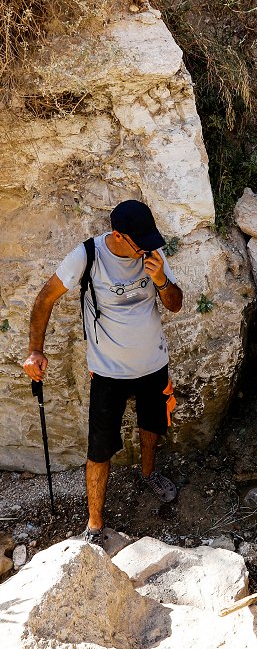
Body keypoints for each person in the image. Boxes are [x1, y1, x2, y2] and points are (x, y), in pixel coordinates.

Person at [23, 200, 183, 549]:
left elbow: (174, 303)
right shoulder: (87, 256)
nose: (145, 248)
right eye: (138, 242)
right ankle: (94, 524)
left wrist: (159, 279)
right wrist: (36, 350)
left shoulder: (151, 256)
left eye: (148, 240)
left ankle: (148, 473)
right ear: (117, 235)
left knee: (151, 426)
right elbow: (45, 299)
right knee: (99, 449)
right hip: (108, 372)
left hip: (153, 365)